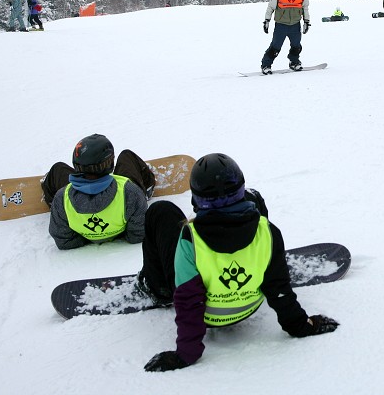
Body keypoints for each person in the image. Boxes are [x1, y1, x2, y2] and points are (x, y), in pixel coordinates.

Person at [137, 153, 339, 373]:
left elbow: (188, 301)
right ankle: (259, 258)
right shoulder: (268, 232)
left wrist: (186, 353)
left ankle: (158, 289)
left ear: (196, 199)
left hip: (207, 316)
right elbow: (278, 287)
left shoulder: (190, 238)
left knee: (160, 211)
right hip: (248, 306)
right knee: (254, 199)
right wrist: (301, 326)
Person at [45, 134, 155, 250]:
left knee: (58, 168)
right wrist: (117, 233)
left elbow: (64, 241)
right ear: (110, 164)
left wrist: (87, 237)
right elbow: (138, 235)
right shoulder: (129, 191)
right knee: (126, 156)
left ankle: (50, 197)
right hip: (126, 204)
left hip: (75, 218)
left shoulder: (61, 198)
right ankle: (147, 186)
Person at [261, 0, 310, 74]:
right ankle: (266, 65)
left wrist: (306, 21)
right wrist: (267, 20)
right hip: (281, 25)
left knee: (296, 46)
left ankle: (294, 62)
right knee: (275, 47)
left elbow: (305, 7)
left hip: (295, 24)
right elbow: (271, 6)